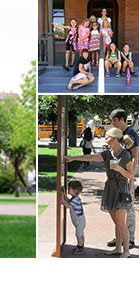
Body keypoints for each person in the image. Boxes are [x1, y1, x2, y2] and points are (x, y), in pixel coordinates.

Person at [67, 127, 135, 256]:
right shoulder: (107, 153)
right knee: (117, 222)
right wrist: (73, 158)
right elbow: (91, 157)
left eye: (107, 137)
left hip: (121, 189)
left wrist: (119, 169)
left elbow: (130, 175)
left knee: (121, 222)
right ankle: (118, 249)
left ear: (114, 139)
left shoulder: (126, 155)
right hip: (110, 188)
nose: (105, 139)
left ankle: (126, 251)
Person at [106, 109, 139, 250]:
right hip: (118, 178)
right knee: (118, 208)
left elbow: (135, 157)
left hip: (127, 176)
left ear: (121, 119)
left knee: (128, 207)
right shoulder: (119, 134)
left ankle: (130, 239)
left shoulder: (132, 134)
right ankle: (120, 236)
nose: (112, 123)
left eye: (114, 120)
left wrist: (131, 178)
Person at [62, 180, 86, 254]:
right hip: (79, 221)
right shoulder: (74, 198)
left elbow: (68, 206)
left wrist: (61, 199)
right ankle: (81, 244)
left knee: (78, 234)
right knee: (80, 233)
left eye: (69, 188)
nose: (68, 189)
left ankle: (80, 247)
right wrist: (63, 195)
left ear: (74, 190)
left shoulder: (75, 199)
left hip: (79, 221)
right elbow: (68, 201)